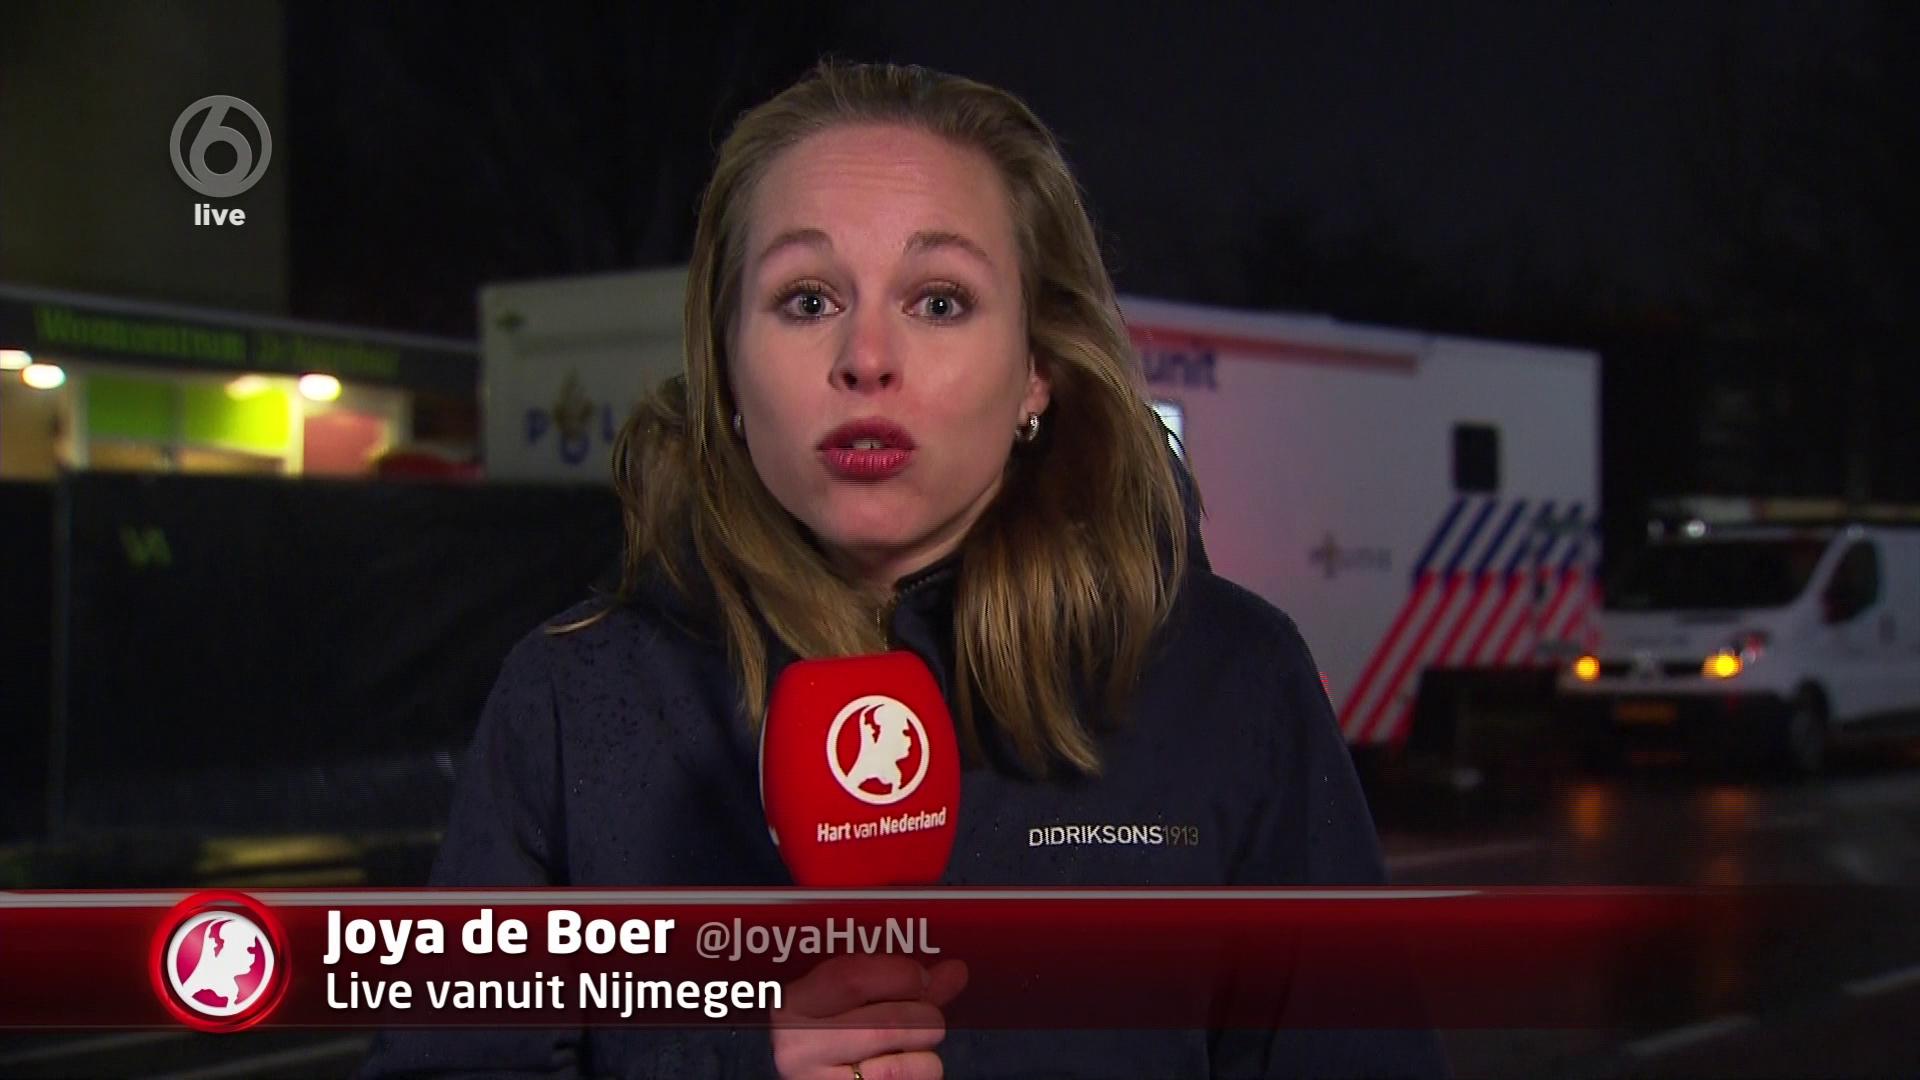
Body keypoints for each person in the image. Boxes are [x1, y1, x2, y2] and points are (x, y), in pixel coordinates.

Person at [362, 60, 1446, 1079]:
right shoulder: (572, 699)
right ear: (726, 367)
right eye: (807, 300)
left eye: (939, 301)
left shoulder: (1230, 681)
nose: (866, 359)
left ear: (1036, 368)